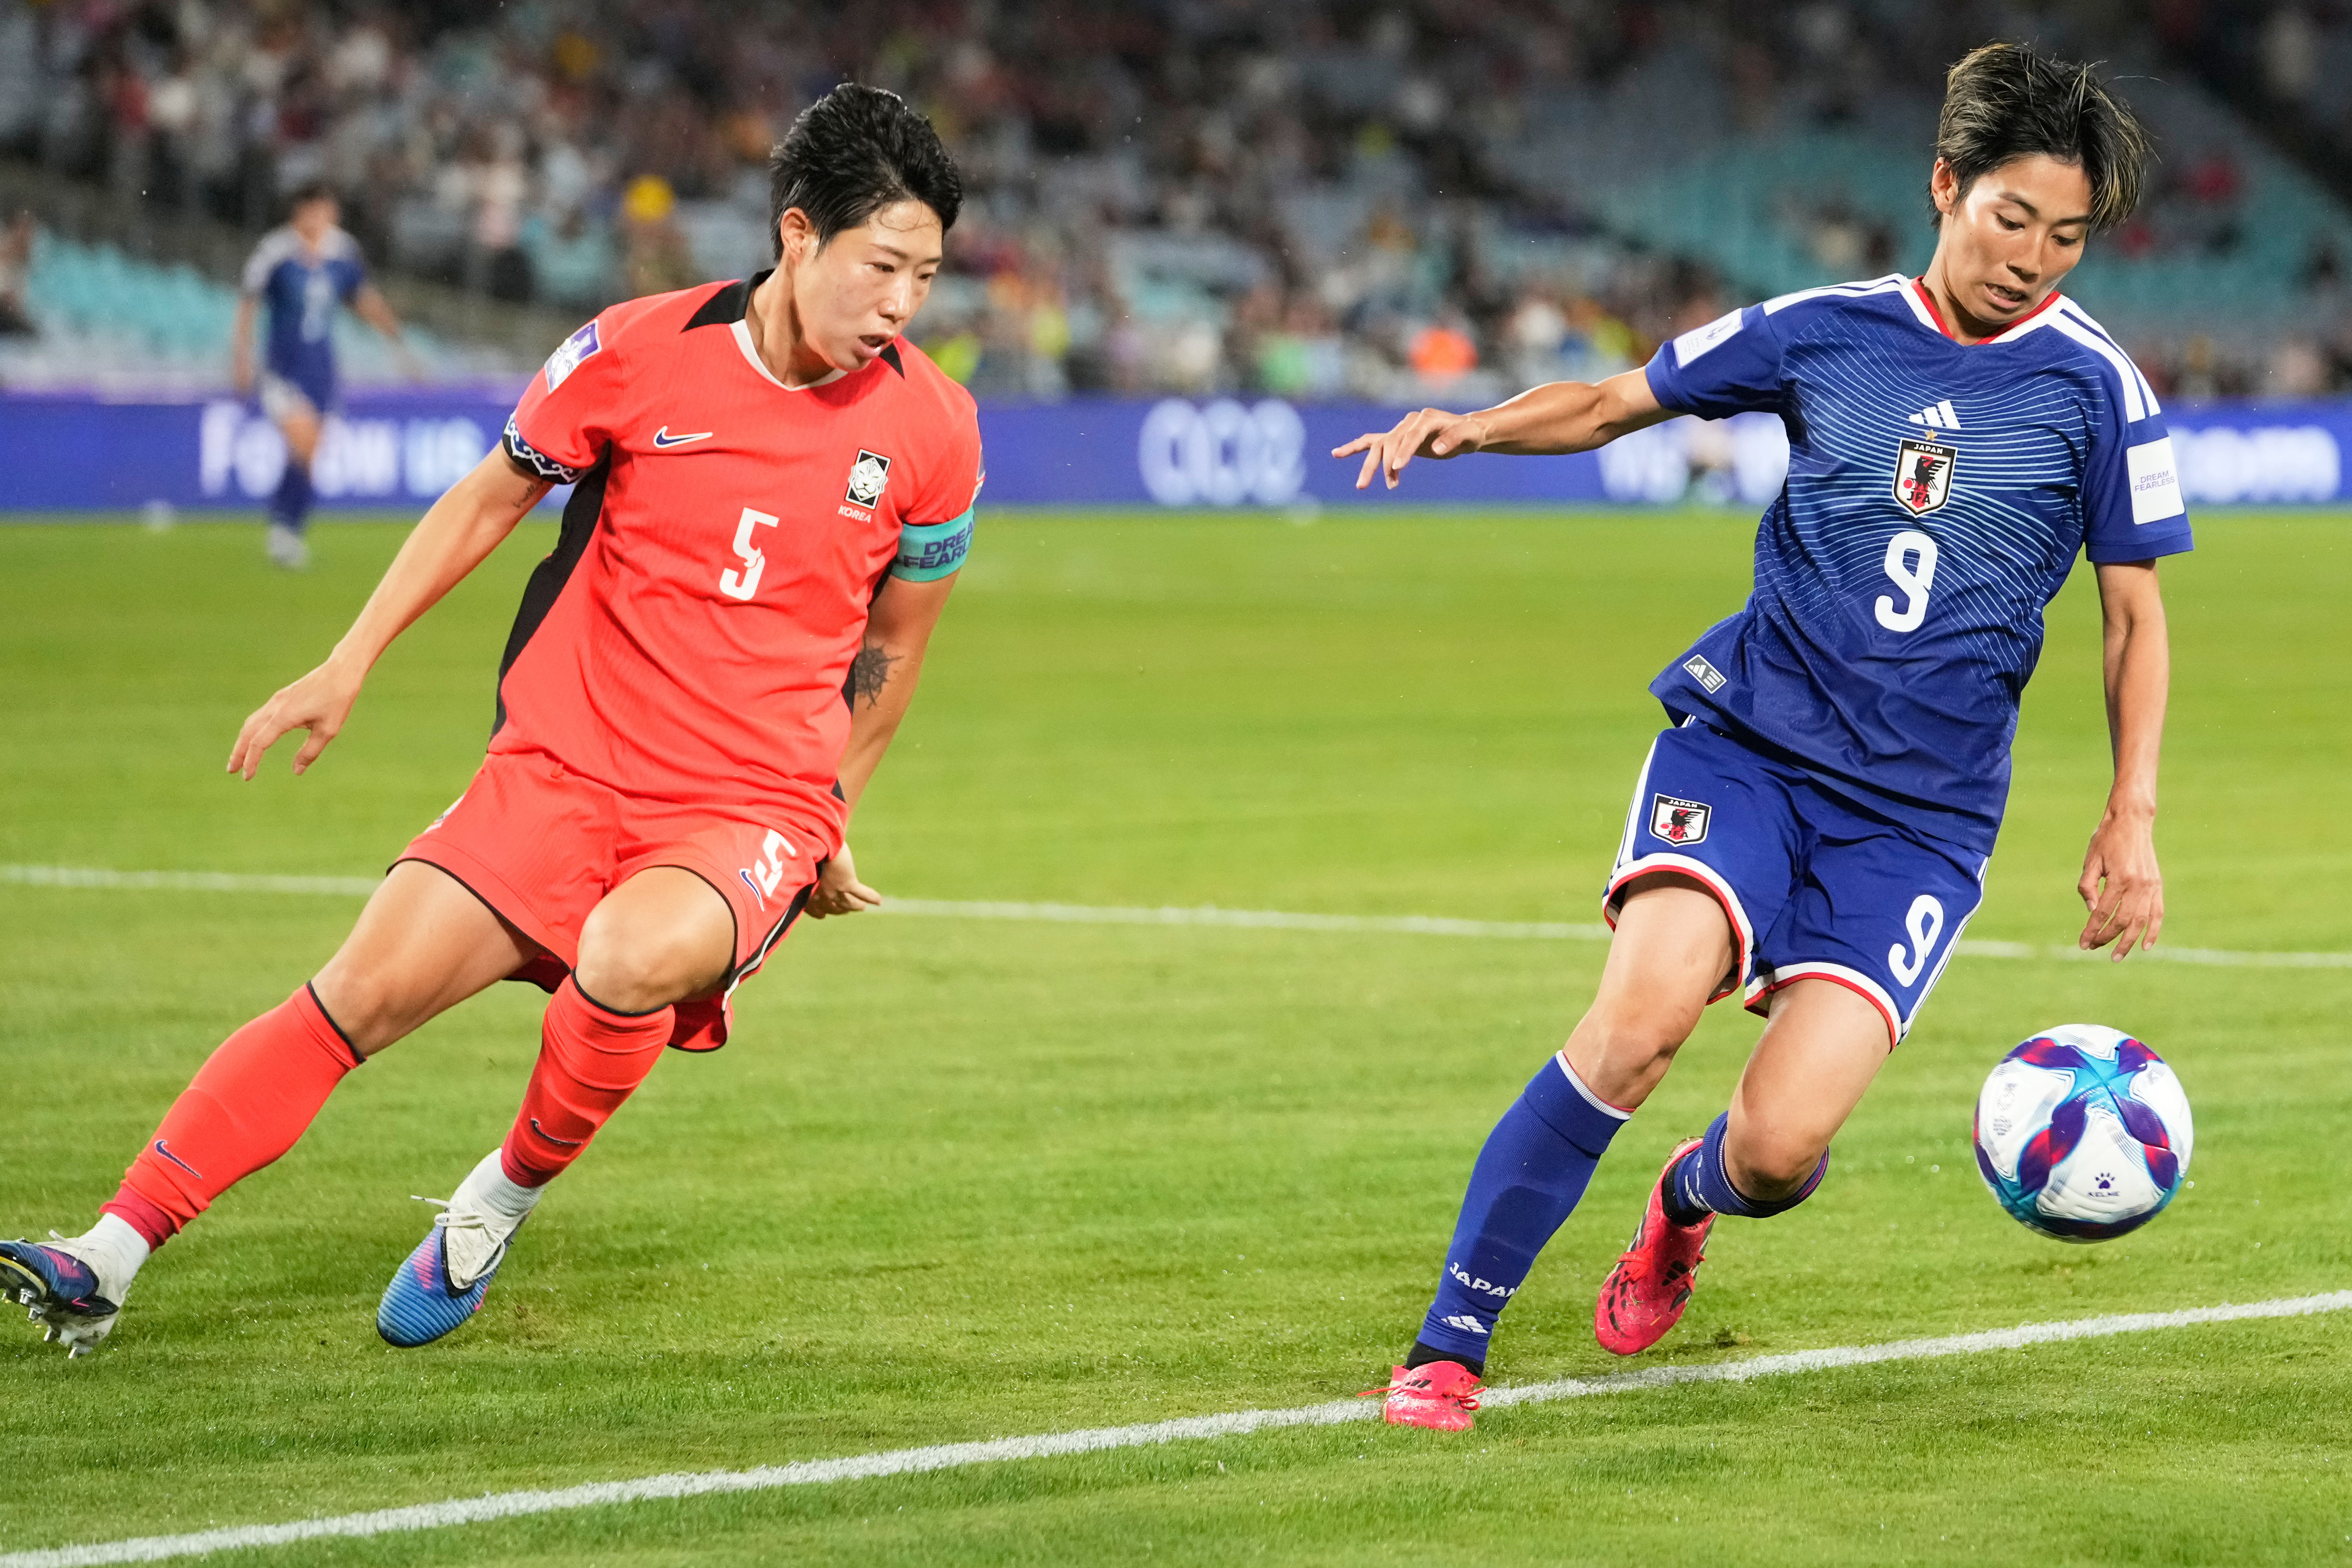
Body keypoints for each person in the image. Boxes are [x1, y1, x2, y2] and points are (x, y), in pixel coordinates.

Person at [3, 84, 983, 1357]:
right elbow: (486, 500)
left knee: (628, 957)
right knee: (356, 989)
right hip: (562, 769)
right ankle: (107, 1252)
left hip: (745, 808)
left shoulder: (935, 428)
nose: (904, 304)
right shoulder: (635, 351)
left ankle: (493, 1198)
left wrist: (828, 809)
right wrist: (347, 658)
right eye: (883, 266)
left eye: (927, 275)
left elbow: (895, 648)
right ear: (797, 235)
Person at [1335, 43, 2189, 1431]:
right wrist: (1467, 429)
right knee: (1639, 1015)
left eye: (2064, 236)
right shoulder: (1819, 329)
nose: (2031, 257)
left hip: (1917, 820)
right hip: (1748, 747)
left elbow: (2131, 617)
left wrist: (2129, 813)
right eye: (2007, 219)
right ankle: (1447, 1343)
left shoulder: (2093, 390)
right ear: (1942, 188)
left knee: (1781, 1148)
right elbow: (1617, 400)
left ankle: (1683, 1202)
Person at [231, 181, 414, 570]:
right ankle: (283, 528)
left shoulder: (342, 252)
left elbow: (362, 298)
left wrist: (396, 341)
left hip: (322, 369)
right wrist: (241, 357)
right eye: (321, 210)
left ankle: (288, 529)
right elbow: (249, 302)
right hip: (283, 368)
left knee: (312, 452)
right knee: (303, 439)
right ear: (302, 211)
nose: (327, 218)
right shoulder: (276, 252)